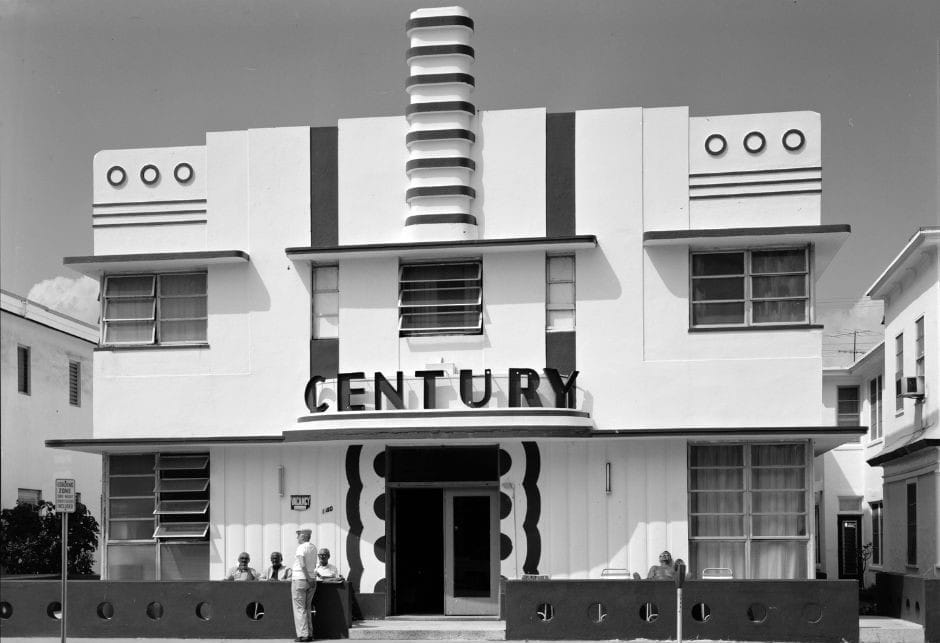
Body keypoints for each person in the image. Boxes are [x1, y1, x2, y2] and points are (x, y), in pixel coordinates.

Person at [291, 529, 318, 642]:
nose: (297, 538)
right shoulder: (313, 547)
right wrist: (310, 579)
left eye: (298, 536)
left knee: (299, 608)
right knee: (307, 608)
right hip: (312, 579)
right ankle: (310, 633)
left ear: (303, 536)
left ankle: (303, 635)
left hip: (300, 579)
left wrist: (307, 577)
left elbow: (302, 564)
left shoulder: (301, 548)